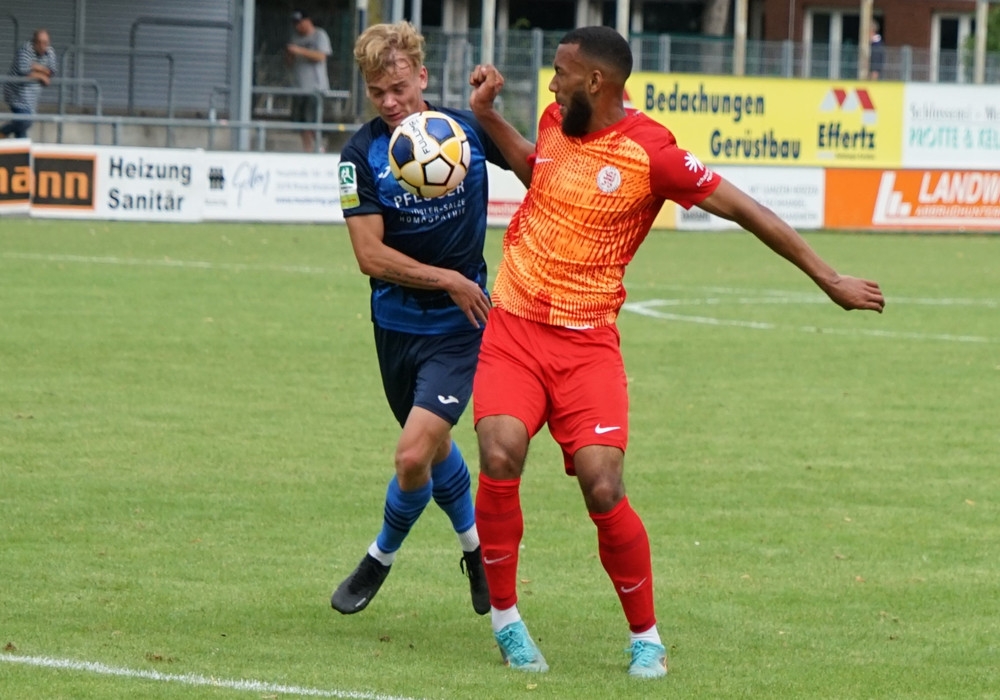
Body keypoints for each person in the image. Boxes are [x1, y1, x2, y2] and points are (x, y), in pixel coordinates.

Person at [466, 26, 885, 678]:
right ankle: (507, 621)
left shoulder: (650, 153)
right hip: (515, 330)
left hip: (588, 345)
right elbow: (536, 169)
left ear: (596, 83)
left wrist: (827, 276)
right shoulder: (554, 120)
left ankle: (646, 639)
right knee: (499, 452)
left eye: (561, 73)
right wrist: (488, 117)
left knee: (604, 487)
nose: (550, 84)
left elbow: (745, 209)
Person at [331, 21, 510, 617]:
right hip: (396, 329)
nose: (389, 102)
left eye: (399, 87)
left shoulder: (465, 130)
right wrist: (448, 278)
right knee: (432, 451)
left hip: (462, 329)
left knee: (411, 455)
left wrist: (490, 109)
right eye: (377, 91)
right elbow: (369, 256)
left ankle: (378, 556)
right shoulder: (360, 155)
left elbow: (538, 168)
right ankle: (477, 554)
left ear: (422, 77)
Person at [285, 10, 331, 152]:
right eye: (295, 24)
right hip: (299, 88)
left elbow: (321, 56)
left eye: (299, 23)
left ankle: (319, 147)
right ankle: (308, 150)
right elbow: (289, 63)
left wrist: (299, 50)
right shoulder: (295, 37)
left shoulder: (319, 35)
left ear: (307, 21)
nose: (297, 27)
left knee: (312, 120)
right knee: (301, 122)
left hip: (315, 88)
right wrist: (290, 54)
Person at [2, 29, 57, 139]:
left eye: (45, 43)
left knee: (24, 124)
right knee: (24, 120)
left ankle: (19, 149)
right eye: (39, 42)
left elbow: (52, 71)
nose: (42, 46)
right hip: (15, 93)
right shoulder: (25, 50)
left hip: (32, 95)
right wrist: (41, 74)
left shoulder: (50, 52)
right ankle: (4, 131)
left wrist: (34, 66)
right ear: (34, 42)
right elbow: (23, 70)